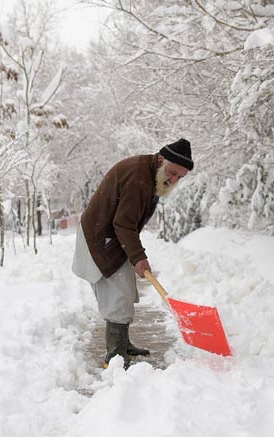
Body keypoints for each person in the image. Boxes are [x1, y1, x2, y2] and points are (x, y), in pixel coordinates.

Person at [72, 138, 193, 368]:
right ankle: (115, 356)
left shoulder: (149, 174)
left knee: (125, 290)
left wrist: (136, 255)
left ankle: (123, 344)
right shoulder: (140, 179)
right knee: (117, 295)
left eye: (180, 177)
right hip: (100, 239)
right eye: (173, 172)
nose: (174, 179)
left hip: (111, 237)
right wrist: (138, 257)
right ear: (161, 160)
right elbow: (124, 224)